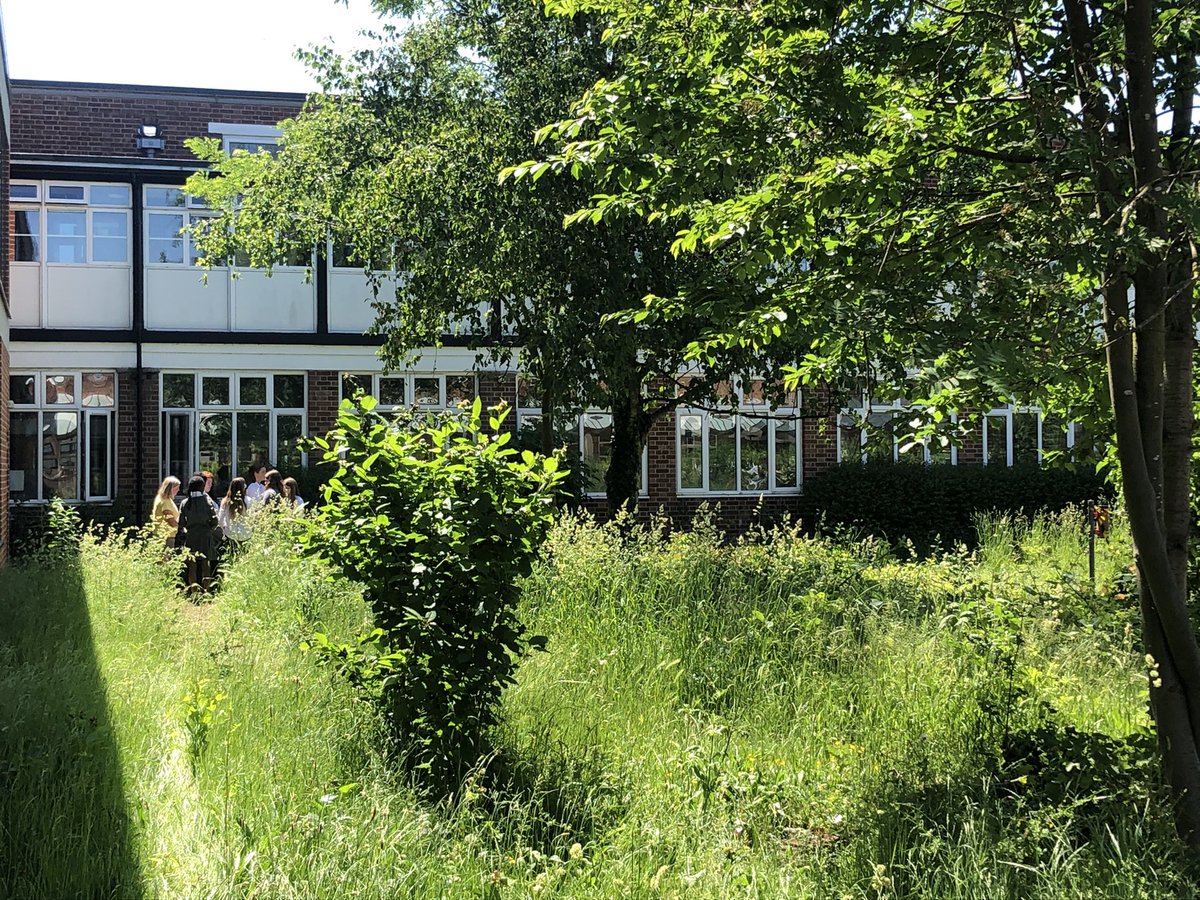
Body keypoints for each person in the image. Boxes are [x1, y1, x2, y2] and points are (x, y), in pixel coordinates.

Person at [177, 474, 220, 593]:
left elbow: (180, 523)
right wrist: (209, 530)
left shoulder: (185, 502)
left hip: (191, 536)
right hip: (205, 536)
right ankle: (206, 591)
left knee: (192, 566)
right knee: (206, 565)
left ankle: (194, 592)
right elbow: (215, 520)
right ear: (202, 487)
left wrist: (187, 529)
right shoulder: (207, 500)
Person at [219, 477, 252, 546]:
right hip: (246, 534)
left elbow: (220, 519)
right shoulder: (248, 500)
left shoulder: (225, 502)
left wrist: (225, 528)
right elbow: (252, 517)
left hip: (231, 534)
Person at [151, 476, 181, 548]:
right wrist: (181, 527)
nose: (178, 490)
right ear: (170, 489)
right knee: (166, 558)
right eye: (176, 488)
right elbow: (170, 519)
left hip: (160, 533)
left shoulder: (161, 498)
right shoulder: (165, 502)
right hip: (166, 536)